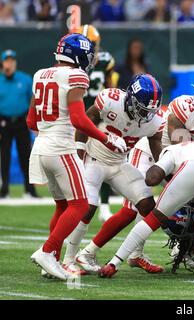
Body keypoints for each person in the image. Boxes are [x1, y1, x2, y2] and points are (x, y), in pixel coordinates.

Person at [27, 33, 127, 280]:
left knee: (63, 205)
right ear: (78, 54)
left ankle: (51, 261)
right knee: (80, 205)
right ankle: (48, 252)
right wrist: (107, 139)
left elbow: (31, 120)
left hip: (40, 146)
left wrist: (49, 132)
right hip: (61, 147)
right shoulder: (76, 75)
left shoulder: (40, 74)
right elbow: (78, 120)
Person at [61, 74, 165, 274]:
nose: (146, 115)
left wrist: (163, 166)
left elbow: (155, 141)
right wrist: (79, 153)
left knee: (147, 205)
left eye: (150, 110)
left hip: (119, 164)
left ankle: (99, 253)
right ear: (131, 99)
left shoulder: (153, 120)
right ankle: (68, 259)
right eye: (143, 109)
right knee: (87, 207)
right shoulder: (111, 99)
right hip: (93, 159)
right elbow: (86, 120)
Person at [100, 141, 194, 280]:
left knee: (152, 220)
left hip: (192, 166)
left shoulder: (172, 150)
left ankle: (113, 263)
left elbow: (152, 178)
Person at [74, 24, 117, 221]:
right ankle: (77, 202)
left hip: (99, 116)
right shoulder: (73, 62)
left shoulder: (105, 60)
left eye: (92, 43)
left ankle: (105, 205)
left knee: (105, 158)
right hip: (78, 116)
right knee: (77, 160)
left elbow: (111, 88)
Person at [0, 50, 38, 198]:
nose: (9, 63)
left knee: (26, 156)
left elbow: (33, 101)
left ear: (15, 63)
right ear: (2, 64)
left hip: (21, 121)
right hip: (3, 122)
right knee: (4, 156)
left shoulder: (25, 79)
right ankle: (4, 190)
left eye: (12, 60)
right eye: (6, 61)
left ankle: (30, 190)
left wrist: (33, 122)